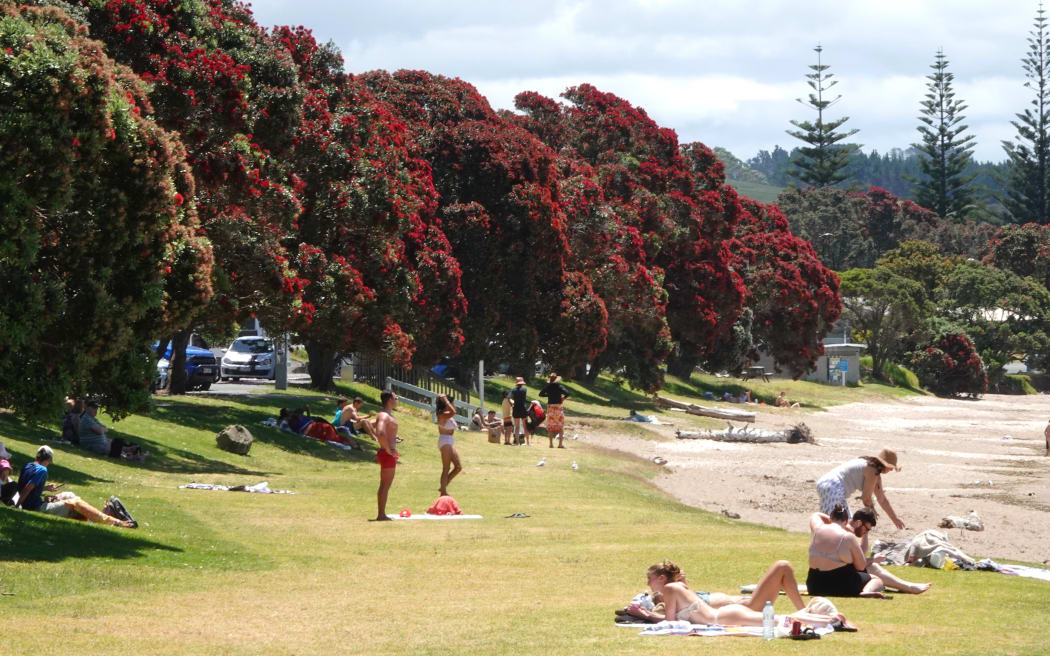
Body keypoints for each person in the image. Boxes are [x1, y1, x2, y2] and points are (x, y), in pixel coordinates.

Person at [628, 559, 850, 629]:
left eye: (650, 579)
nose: (647, 583)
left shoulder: (669, 590)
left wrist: (645, 616)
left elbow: (671, 622)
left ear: (661, 579)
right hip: (729, 612)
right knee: (778, 620)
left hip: (726, 615)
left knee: (778, 620)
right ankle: (831, 620)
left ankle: (830, 620)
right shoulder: (679, 588)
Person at [812, 508, 932, 595]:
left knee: (872, 566)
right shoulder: (847, 534)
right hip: (836, 576)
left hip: (817, 578)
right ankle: (908, 587)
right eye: (866, 529)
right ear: (859, 522)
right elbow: (860, 564)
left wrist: (836, 521)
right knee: (874, 571)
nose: (866, 532)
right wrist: (873, 559)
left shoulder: (824, 529)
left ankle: (907, 586)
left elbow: (860, 556)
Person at [15, 446, 135, 528]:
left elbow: (28, 487)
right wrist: (17, 506)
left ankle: (100, 517)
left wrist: (46, 488)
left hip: (33, 503)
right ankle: (115, 521)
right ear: (49, 459)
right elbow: (27, 489)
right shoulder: (42, 470)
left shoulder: (28, 465)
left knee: (69, 495)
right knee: (75, 503)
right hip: (37, 508)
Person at [807, 505, 886, 597]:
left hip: (814, 586)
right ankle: (865, 592)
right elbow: (861, 566)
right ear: (845, 522)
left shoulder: (817, 529)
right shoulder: (848, 537)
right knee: (876, 580)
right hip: (842, 587)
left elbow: (816, 515)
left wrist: (833, 520)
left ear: (831, 518)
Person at [815, 449, 906, 529]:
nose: (891, 470)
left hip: (826, 484)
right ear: (884, 464)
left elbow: (882, 499)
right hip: (833, 486)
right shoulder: (872, 471)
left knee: (831, 522)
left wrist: (894, 518)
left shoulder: (871, 467)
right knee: (841, 524)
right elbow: (866, 498)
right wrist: (872, 510)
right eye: (891, 467)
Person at [374, 391, 400, 521]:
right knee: (385, 484)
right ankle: (381, 514)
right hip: (386, 454)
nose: (397, 400)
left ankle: (382, 513)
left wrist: (394, 440)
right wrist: (388, 449)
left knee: (385, 484)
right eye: (396, 398)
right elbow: (380, 432)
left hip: (387, 452)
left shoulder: (387, 415)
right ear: (390, 399)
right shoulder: (384, 415)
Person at [435, 395, 463, 497]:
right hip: (445, 440)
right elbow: (453, 411)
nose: (454, 405)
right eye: (453, 403)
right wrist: (446, 401)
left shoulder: (448, 415)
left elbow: (453, 412)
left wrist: (447, 402)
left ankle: (443, 486)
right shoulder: (441, 414)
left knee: (458, 467)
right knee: (446, 468)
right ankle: (443, 492)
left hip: (449, 441)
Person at [539, 373, 570, 448]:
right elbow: (567, 393)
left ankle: (551, 444)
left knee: (550, 425)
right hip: (558, 407)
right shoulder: (559, 386)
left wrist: (549, 395)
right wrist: (563, 398)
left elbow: (540, 394)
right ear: (556, 379)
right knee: (560, 425)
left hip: (550, 407)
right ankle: (560, 444)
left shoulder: (548, 386)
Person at [510, 377, 530, 445]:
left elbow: (508, 397)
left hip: (516, 409)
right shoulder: (524, 389)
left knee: (517, 427)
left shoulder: (513, 390)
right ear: (522, 383)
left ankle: (517, 442)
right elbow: (524, 399)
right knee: (525, 426)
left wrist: (511, 404)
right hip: (523, 409)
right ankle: (528, 442)